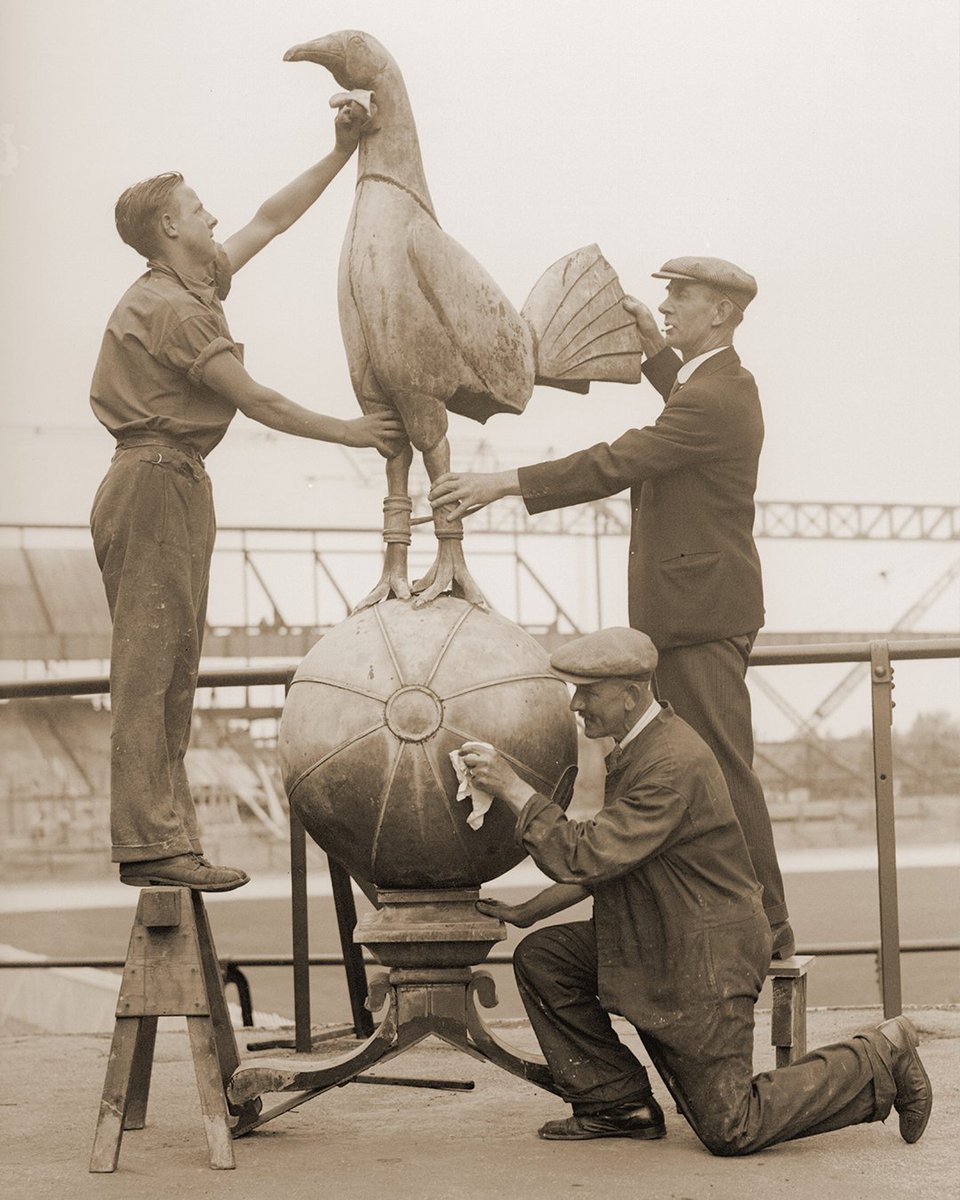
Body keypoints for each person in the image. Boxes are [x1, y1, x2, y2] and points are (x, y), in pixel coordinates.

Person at [431, 256, 793, 956]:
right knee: (698, 767)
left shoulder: (717, 397)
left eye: (680, 295)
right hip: (691, 612)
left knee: (720, 769)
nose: (666, 305)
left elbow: (621, 458)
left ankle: (768, 925)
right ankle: (749, 920)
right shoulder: (711, 385)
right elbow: (680, 404)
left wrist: (502, 482)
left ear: (720, 312)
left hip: (698, 617)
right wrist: (656, 355)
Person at [459, 627, 932, 1153]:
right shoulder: (643, 747)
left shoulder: (670, 764)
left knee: (733, 1126)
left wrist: (512, 786)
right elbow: (616, 861)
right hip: (660, 938)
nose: (576, 705)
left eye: (588, 692)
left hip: (705, 961)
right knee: (546, 957)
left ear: (631, 695)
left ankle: (881, 1054)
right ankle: (617, 1104)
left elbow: (586, 854)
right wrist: (530, 912)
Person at [90, 101, 403, 893]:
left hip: (175, 478)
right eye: (197, 207)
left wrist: (339, 151)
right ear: (169, 226)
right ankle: (150, 845)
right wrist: (353, 432)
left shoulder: (190, 284)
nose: (213, 215)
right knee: (151, 669)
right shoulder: (169, 308)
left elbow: (271, 218)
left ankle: (168, 841)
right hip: (154, 480)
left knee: (174, 667)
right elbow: (257, 399)